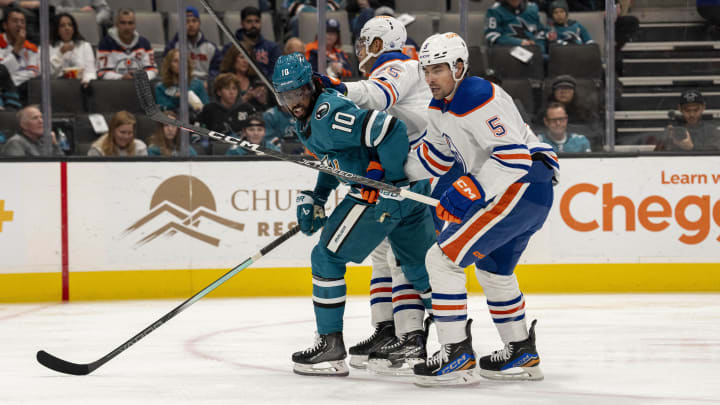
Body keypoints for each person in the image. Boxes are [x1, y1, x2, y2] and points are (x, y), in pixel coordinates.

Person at [405, 33, 559, 386]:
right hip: (528, 193)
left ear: (459, 68)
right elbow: (434, 158)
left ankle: (455, 353)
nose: (431, 78)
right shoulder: (438, 107)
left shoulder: (475, 95)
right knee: (494, 271)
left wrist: (473, 187)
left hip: (519, 186)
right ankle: (520, 351)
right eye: (427, 69)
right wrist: (388, 174)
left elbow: (514, 157)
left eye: (439, 69)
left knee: (442, 259)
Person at [272, 53, 435, 377]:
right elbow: (339, 158)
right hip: (414, 189)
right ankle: (456, 344)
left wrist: (390, 181)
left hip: (387, 192)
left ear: (312, 85)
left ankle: (331, 347)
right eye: (286, 96)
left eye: (299, 92)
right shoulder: (313, 116)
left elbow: (390, 129)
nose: (294, 102)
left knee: (326, 258)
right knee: (419, 269)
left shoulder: (327, 112)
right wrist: (319, 194)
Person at [315, 15, 438, 375]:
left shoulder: (400, 66)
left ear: (378, 43)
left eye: (365, 43)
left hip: (421, 177)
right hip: (403, 176)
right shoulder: (387, 72)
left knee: (406, 259)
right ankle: (388, 331)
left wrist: (333, 88)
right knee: (383, 256)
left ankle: (419, 336)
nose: (360, 51)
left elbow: (377, 96)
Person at [163, 6, 222, 84]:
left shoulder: (211, 48)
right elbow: (166, 68)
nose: (191, 24)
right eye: (187, 21)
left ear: (199, 23)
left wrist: (209, 82)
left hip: (205, 85)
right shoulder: (173, 46)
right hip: (180, 84)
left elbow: (217, 70)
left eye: (194, 21)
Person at [97, 8, 157, 80]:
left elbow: (152, 70)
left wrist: (141, 77)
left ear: (135, 25)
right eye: (123, 23)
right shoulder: (105, 44)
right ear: (116, 24)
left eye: (130, 23)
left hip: (139, 86)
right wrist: (121, 77)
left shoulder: (144, 44)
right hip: (114, 87)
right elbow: (103, 73)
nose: (127, 27)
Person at [222, 6, 281, 78]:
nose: (253, 25)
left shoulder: (272, 48)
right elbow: (224, 71)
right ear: (242, 23)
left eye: (257, 21)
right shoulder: (230, 47)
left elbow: (276, 74)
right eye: (249, 21)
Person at [655, 89, 720, 152]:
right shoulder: (673, 130)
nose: (692, 114)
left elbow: (713, 157)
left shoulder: (711, 131)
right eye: (687, 110)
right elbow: (655, 157)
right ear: (679, 108)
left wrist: (691, 148)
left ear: (703, 107)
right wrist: (664, 139)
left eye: (696, 110)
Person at [154, 49, 209, 115]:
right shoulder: (161, 87)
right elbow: (164, 108)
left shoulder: (198, 84)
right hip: (173, 122)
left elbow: (206, 107)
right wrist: (178, 97)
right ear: (169, 64)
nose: (180, 64)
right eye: (175, 61)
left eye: (182, 60)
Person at [50, 13, 97, 87]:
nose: (67, 28)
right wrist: (60, 53)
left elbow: (90, 72)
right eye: (62, 25)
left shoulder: (85, 46)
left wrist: (86, 82)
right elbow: (49, 74)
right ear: (56, 29)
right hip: (57, 88)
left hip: (81, 87)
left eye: (70, 25)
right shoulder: (49, 48)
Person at [0, 8, 40, 87]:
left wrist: (10, 80)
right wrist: (17, 49)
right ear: (5, 25)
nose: (19, 25)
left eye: (22, 22)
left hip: (23, 89)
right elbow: (1, 73)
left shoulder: (31, 47)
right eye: (15, 21)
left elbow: (33, 73)